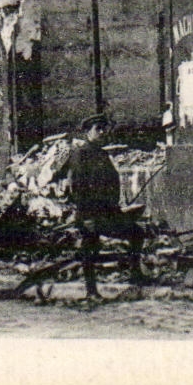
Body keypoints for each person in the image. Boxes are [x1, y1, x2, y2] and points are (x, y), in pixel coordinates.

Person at [57, 113, 145, 299]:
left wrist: (117, 207)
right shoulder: (81, 154)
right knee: (90, 246)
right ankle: (91, 291)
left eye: (104, 128)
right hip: (89, 214)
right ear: (88, 132)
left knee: (137, 232)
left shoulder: (102, 154)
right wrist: (87, 217)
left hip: (108, 213)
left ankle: (136, 275)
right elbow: (78, 188)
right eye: (98, 129)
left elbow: (111, 182)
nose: (102, 132)